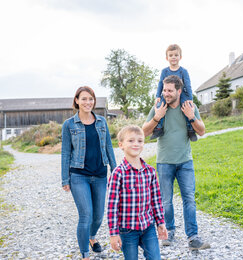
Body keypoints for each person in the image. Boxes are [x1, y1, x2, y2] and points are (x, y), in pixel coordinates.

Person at [142, 75, 211, 250]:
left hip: (185, 162)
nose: (166, 93)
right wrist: (157, 117)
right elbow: (143, 132)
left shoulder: (189, 107)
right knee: (166, 200)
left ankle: (193, 237)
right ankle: (169, 232)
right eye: (164, 90)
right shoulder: (158, 107)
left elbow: (202, 131)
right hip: (164, 162)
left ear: (179, 91)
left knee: (189, 198)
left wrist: (192, 117)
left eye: (170, 90)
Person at [61, 86, 117, 260]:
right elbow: (65, 153)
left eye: (90, 99)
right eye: (84, 99)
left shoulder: (101, 122)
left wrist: (115, 172)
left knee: (98, 216)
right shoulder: (69, 124)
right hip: (79, 176)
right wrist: (65, 178)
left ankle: (92, 237)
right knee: (86, 214)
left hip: (100, 175)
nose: (88, 102)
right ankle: (85, 254)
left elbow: (108, 147)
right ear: (76, 101)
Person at [107, 125, 168, 259]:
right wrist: (113, 234)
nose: (136, 144)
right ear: (121, 145)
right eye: (131, 141)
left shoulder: (150, 171)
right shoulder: (118, 173)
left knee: (155, 257)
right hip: (127, 230)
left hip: (148, 226)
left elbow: (156, 199)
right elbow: (112, 207)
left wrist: (161, 222)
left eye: (140, 141)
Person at [151, 44, 197, 142]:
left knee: (187, 106)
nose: (173, 57)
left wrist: (190, 98)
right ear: (167, 58)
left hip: (181, 93)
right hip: (167, 94)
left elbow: (188, 85)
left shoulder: (183, 71)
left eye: (176, 55)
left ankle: (190, 129)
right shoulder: (165, 71)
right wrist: (157, 96)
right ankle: (159, 128)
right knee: (160, 106)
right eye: (171, 55)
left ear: (180, 57)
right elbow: (160, 84)